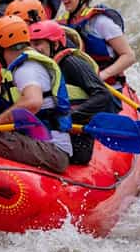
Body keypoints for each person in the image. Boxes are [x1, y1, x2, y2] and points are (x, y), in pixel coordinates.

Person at [0, 15, 71, 173]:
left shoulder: (27, 68)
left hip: (51, 149)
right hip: (42, 142)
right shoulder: (25, 66)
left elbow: (32, 102)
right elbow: (8, 93)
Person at [28, 19, 124, 166]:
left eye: (38, 44)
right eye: (31, 45)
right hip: (52, 132)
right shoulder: (40, 66)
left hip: (77, 143)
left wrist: (68, 117)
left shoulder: (71, 63)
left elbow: (103, 95)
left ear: (55, 44)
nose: (33, 50)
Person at [53, 0, 134, 85]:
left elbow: (129, 56)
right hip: (79, 83)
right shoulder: (61, 23)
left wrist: (102, 75)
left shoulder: (101, 22)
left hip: (107, 85)